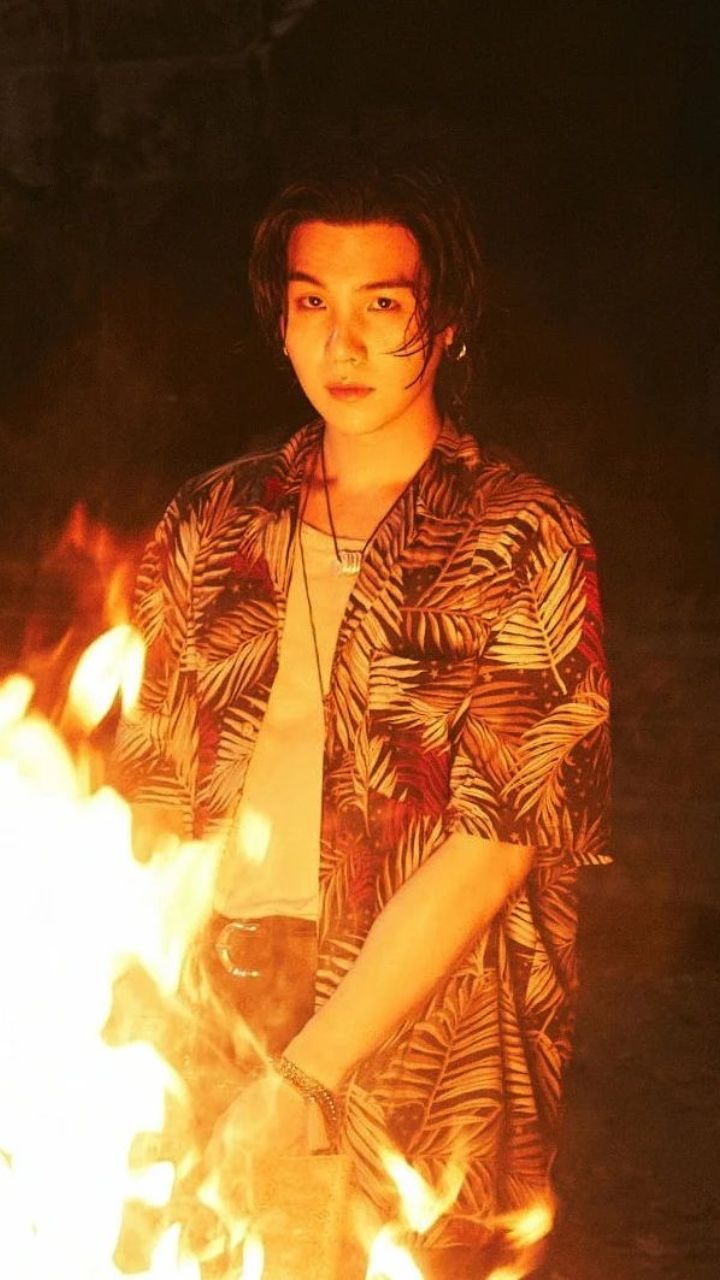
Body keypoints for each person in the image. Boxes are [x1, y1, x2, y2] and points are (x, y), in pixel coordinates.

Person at [113, 135, 611, 1278]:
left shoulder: (520, 536)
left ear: (445, 323)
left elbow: (498, 842)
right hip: (218, 1009)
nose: (341, 343)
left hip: (421, 1037)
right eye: (312, 303)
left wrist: (309, 1071)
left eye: (380, 304)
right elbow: (151, 795)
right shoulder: (212, 522)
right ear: (279, 319)